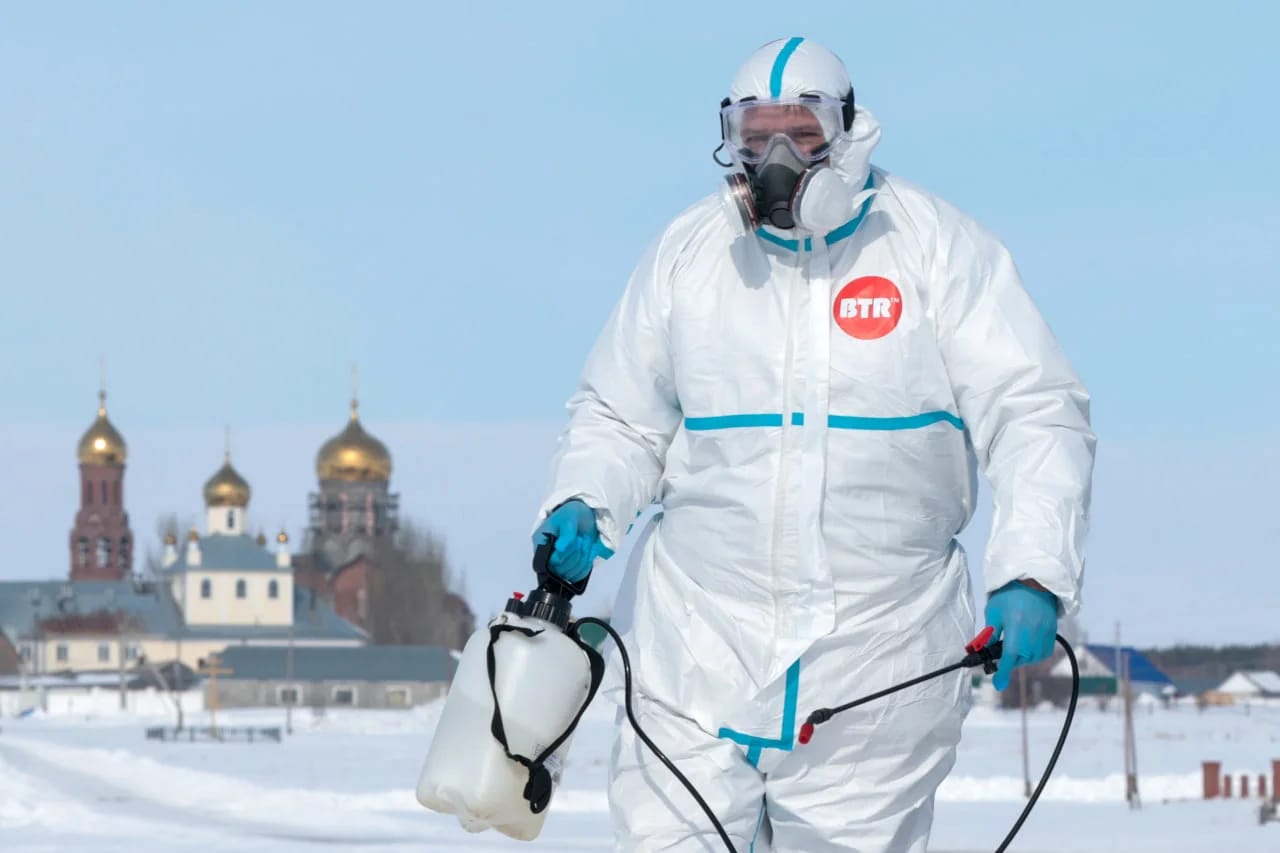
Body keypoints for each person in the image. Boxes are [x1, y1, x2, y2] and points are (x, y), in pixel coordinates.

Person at [531, 36, 1095, 853]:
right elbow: (620, 415)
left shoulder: (934, 250)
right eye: (756, 138)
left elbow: (1035, 408)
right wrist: (585, 495)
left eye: (801, 133)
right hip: (694, 657)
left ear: (850, 132)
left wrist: (1033, 570)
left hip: (879, 670)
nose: (778, 160)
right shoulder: (689, 259)